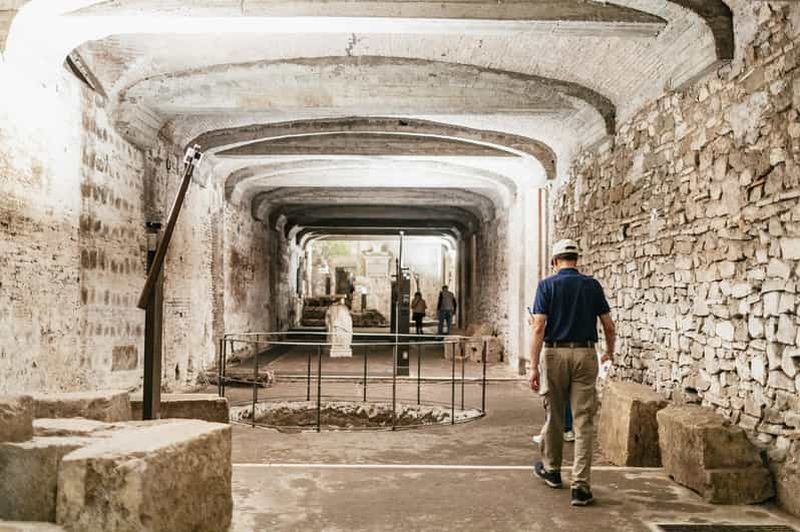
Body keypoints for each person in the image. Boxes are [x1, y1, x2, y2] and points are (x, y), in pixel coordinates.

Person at [529, 238, 615, 507]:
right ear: (576, 260)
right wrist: (609, 352)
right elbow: (608, 325)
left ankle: (552, 471)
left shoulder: (547, 286)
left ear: (555, 261)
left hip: (554, 353)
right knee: (583, 420)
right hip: (585, 353)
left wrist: (533, 365)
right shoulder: (591, 285)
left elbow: (539, 327)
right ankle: (581, 487)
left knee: (554, 414)